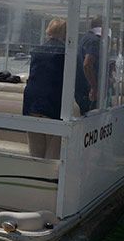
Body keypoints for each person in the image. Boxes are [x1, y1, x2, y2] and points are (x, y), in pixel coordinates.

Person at [23, 18, 68, 159]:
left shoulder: (37, 51)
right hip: (53, 105)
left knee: (36, 154)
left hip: (31, 104)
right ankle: (48, 180)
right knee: (52, 155)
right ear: (65, 33)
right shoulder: (66, 53)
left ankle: (34, 179)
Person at [78, 17, 103, 113]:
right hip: (88, 90)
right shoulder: (95, 41)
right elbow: (87, 64)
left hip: (81, 87)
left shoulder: (85, 38)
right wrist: (94, 87)